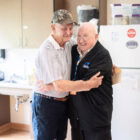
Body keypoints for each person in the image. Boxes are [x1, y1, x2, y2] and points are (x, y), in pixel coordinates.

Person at [32, 9, 103, 140]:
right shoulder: (47, 50)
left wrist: (105, 61)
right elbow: (59, 85)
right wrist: (88, 84)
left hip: (63, 102)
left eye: (71, 28)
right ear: (53, 28)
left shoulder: (68, 43)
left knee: (61, 137)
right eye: (64, 28)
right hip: (46, 103)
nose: (69, 32)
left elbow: (88, 46)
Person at [69, 22, 113, 140]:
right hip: (77, 116)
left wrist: (61, 85)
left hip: (96, 117)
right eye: (79, 36)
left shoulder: (102, 55)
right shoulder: (74, 51)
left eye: (85, 36)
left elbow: (87, 83)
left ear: (96, 37)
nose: (81, 40)